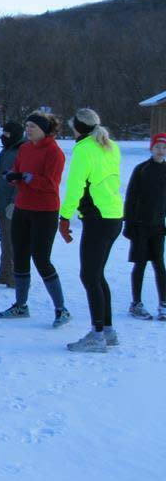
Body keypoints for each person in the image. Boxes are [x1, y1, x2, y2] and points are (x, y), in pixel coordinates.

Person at [0, 112, 70, 327]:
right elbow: (17, 170)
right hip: (23, 207)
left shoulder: (55, 152)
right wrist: (12, 176)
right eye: (27, 126)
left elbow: (51, 184)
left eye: (32, 127)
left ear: (44, 129)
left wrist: (28, 178)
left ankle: (61, 308)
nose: (28, 130)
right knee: (20, 255)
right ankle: (21, 305)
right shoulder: (25, 148)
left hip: (45, 211)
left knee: (41, 258)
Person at [60, 109, 124, 352]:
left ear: (79, 128)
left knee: (89, 276)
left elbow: (75, 187)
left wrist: (64, 217)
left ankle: (97, 336)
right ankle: (107, 331)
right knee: (97, 275)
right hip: (114, 216)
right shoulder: (111, 146)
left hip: (97, 218)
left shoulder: (84, 149)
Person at [124, 132, 166, 320]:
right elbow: (131, 198)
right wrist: (129, 224)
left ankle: (163, 303)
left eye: (164, 147)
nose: (161, 150)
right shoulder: (141, 169)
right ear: (151, 148)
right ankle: (136, 303)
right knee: (140, 264)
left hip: (158, 227)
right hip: (140, 226)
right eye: (158, 146)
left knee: (159, 264)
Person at [0, 122, 26, 286]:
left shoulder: (22, 151)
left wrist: (14, 202)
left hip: (13, 204)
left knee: (13, 241)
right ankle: (4, 273)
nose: (4, 136)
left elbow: (20, 178)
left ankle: (15, 276)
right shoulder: (7, 150)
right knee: (5, 239)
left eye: (7, 133)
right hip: (1, 202)